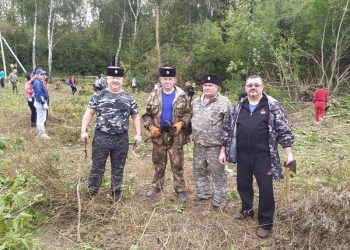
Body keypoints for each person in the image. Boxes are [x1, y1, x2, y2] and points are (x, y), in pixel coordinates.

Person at [219, 75, 294, 238]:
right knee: (242, 185)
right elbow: (227, 129)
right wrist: (222, 150)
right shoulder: (238, 106)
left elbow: (284, 130)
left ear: (262, 87)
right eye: (250, 85)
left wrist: (289, 154)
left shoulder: (272, 106)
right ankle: (246, 210)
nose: (253, 88)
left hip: (263, 155)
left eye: (256, 85)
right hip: (243, 154)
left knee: (266, 189)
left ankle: (265, 222)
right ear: (245, 88)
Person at [81, 66, 142, 202]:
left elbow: (136, 116)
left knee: (118, 168)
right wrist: (83, 130)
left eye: (118, 78)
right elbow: (89, 113)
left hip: (121, 139)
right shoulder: (98, 96)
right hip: (101, 137)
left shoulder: (129, 98)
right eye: (113, 78)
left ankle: (116, 194)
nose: (116, 80)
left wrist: (138, 133)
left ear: (122, 80)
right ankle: (92, 193)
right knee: (97, 166)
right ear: (107, 79)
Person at [142, 66, 191, 203]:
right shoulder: (153, 95)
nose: (167, 81)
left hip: (176, 136)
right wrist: (151, 127)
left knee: (177, 164)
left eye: (170, 79)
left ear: (174, 79)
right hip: (158, 136)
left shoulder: (182, 96)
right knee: (158, 162)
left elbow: (188, 113)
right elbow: (146, 115)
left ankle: (180, 190)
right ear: (160, 79)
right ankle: (156, 186)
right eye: (165, 79)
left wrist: (181, 124)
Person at [191, 74, 231, 210]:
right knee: (199, 170)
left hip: (215, 145)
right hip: (198, 144)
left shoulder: (224, 102)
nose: (207, 88)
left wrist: (224, 148)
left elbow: (228, 127)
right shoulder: (195, 102)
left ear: (217, 88)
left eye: (211, 85)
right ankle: (204, 192)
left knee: (218, 172)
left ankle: (221, 198)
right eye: (205, 85)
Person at [32, 68, 50, 139]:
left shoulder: (37, 81)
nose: (43, 75)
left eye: (43, 74)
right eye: (42, 74)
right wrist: (43, 103)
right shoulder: (38, 83)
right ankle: (42, 134)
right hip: (40, 103)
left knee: (39, 118)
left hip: (37, 102)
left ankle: (39, 131)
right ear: (37, 75)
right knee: (42, 119)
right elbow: (39, 94)